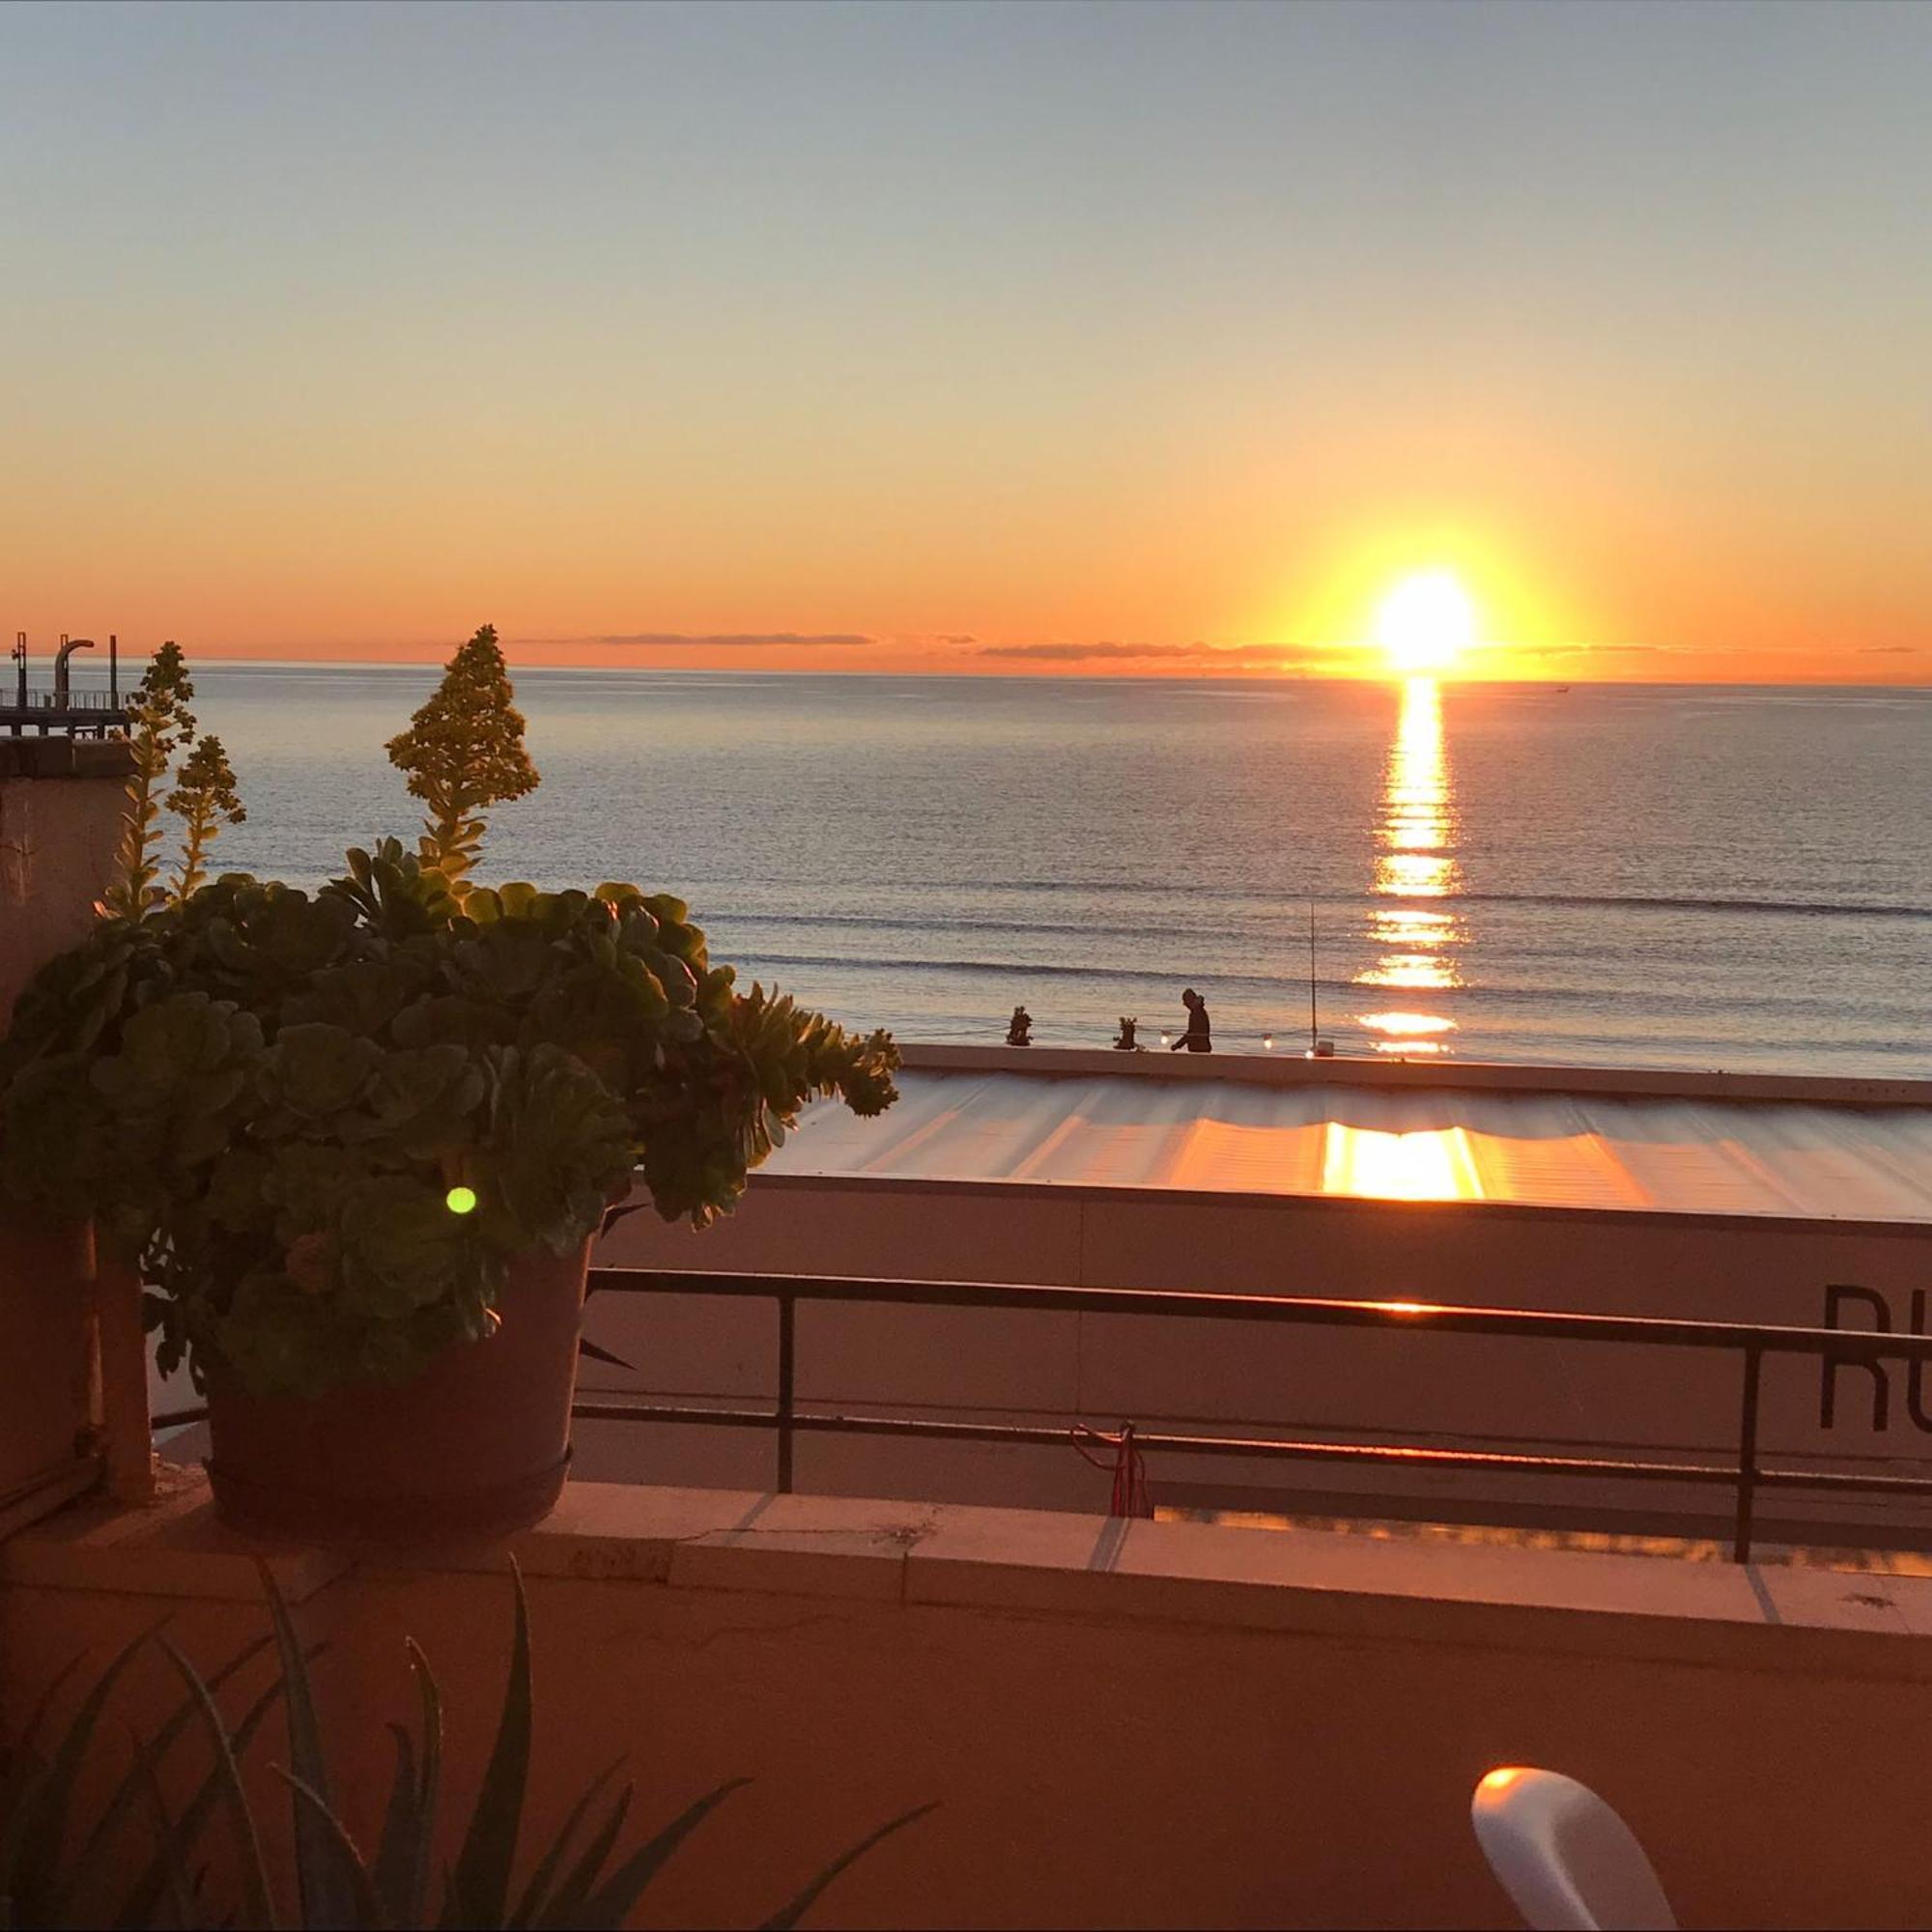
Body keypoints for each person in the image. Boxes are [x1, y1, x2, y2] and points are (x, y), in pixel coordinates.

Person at [1169, 987, 1211, 1053]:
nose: (1184, 1004)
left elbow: (1192, 1033)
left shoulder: (1197, 1013)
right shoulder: (1199, 1011)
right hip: (1202, 1046)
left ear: (1190, 1000)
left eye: (1185, 1001)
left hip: (1199, 1047)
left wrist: (1177, 1045)